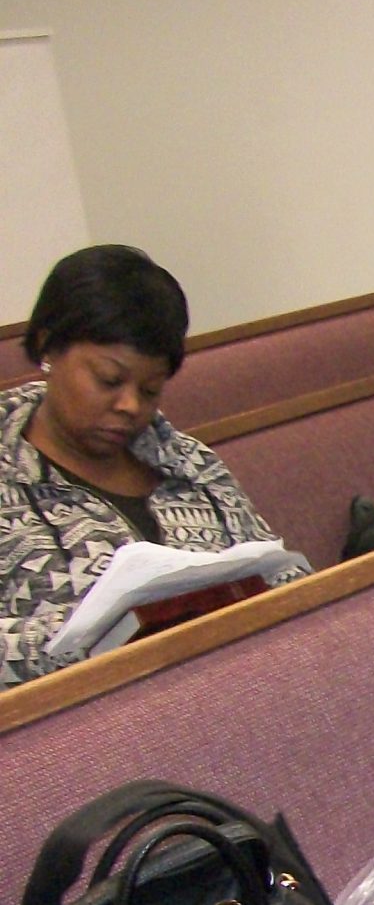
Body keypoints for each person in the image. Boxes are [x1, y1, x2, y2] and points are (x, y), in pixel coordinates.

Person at [2, 245, 301, 690]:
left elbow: (286, 581)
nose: (129, 405)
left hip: (239, 690)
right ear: (48, 345)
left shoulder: (190, 464)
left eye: (150, 390)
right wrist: (84, 644)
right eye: (108, 380)